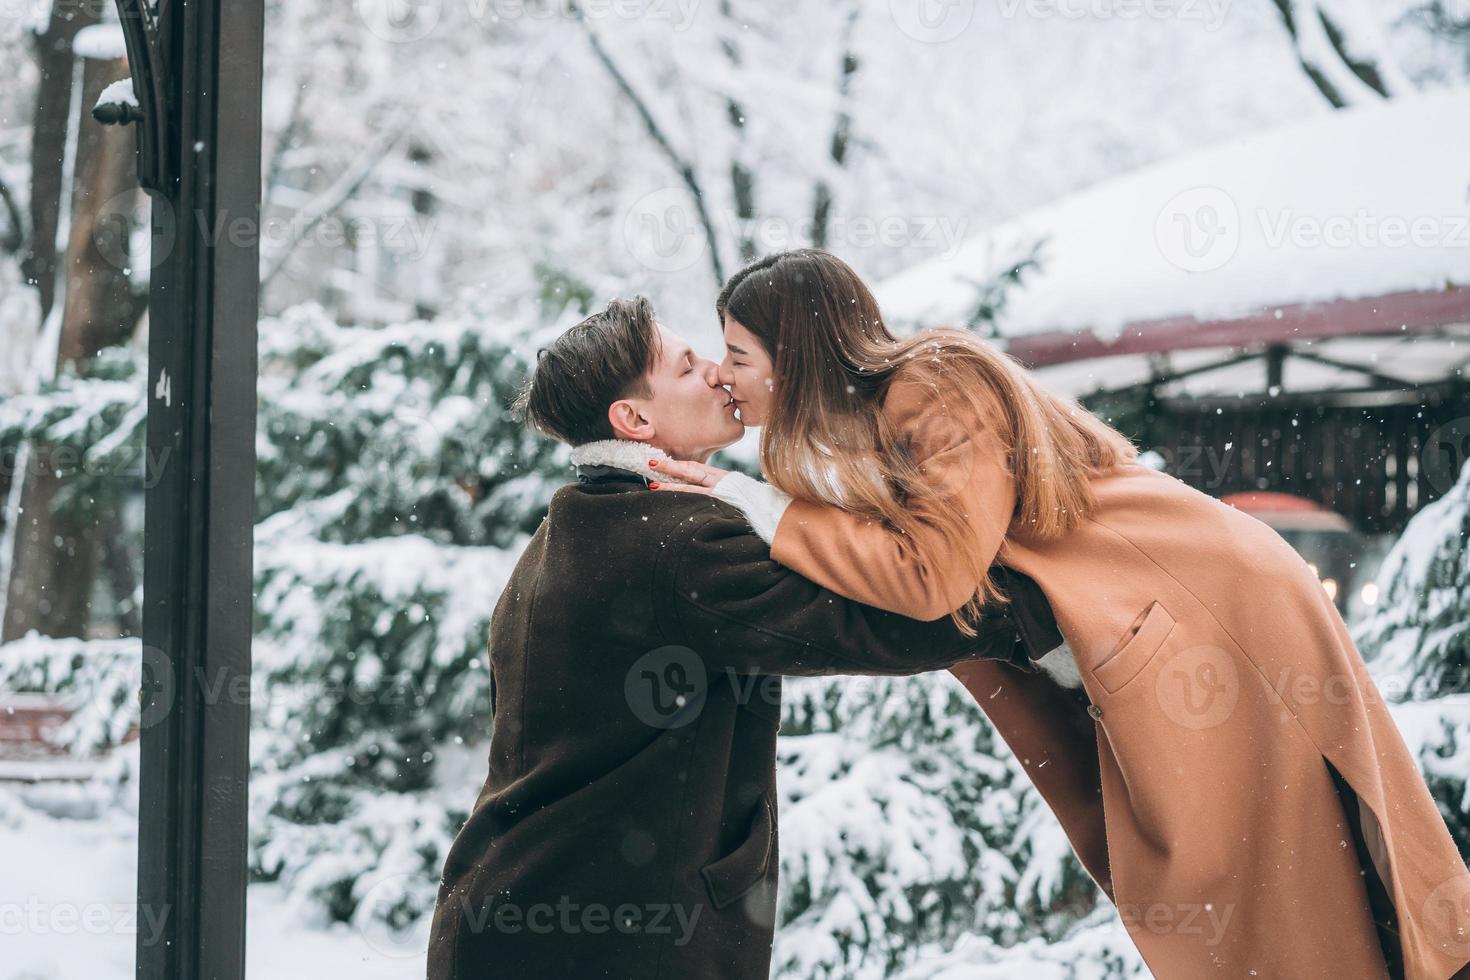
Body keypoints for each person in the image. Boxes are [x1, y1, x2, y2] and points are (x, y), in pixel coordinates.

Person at [652, 248, 1470, 979]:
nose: (725, 375)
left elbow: (931, 574)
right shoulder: (860, 432)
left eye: (738, 356)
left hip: (1211, 611)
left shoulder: (931, 383)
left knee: (1292, 884)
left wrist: (746, 499)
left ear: (797, 355)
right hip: (1163, 624)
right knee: (1265, 891)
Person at [424, 297, 1063, 980]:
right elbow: (870, 624)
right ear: (634, 419)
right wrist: (1043, 605)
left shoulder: (572, 528)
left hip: (522, 915)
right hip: (603, 938)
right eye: (688, 366)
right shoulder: (672, 542)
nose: (718, 375)